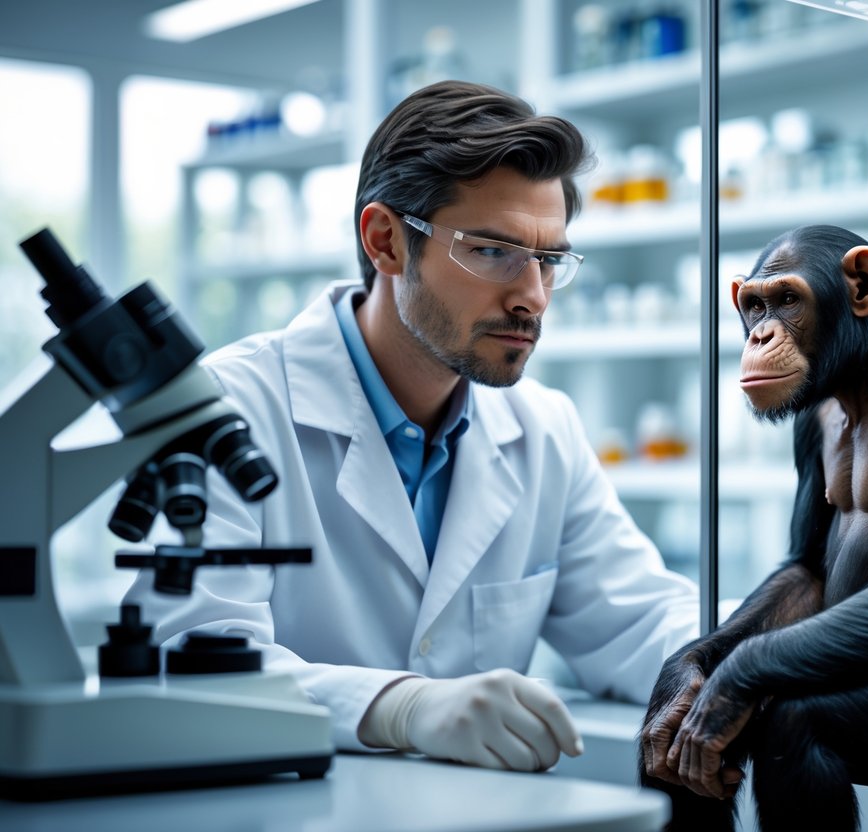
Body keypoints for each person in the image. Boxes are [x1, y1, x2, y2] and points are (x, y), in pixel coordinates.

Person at [125, 80, 698, 773]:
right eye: (493, 252)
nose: (532, 297)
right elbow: (188, 652)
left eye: (549, 260)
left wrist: (776, 654)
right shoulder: (229, 407)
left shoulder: (543, 428)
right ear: (385, 241)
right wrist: (399, 707)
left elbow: (640, 624)